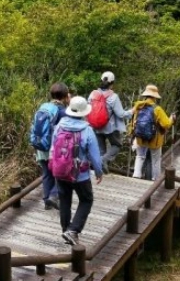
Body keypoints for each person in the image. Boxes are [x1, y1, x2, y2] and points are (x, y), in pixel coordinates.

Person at [51, 96, 103, 246]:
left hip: (60, 171)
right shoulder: (87, 130)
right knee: (86, 200)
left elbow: (53, 148)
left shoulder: (60, 126)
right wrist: (99, 172)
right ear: (83, 112)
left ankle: (66, 230)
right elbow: (94, 155)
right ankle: (73, 231)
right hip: (80, 174)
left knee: (65, 200)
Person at [30, 82, 69, 210]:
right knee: (61, 173)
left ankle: (47, 200)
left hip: (41, 146)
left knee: (47, 173)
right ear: (65, 96)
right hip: (54, 148)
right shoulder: (62, 111)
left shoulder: (43, 107)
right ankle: (53, 195)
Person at [128, 84, 175, 180]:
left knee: (140, 156)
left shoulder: (138, 106)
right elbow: (166, 124)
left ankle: (136, 175)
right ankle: (155, 179)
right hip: (155, 139)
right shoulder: (157, 109)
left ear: (145, 95)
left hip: (140, 137)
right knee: (156, 160)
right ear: (155, 97)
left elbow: (133, 122)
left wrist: (131, 134)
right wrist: (172, 119)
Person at [89, 71, 132, 174]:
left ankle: (100, 171)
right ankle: (104, 161)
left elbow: (88, 109)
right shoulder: (113, 97)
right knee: (116, 145)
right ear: (112, 83)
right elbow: (121, 114)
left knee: (101, 150)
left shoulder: (92, 94)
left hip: (96, 126)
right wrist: (132, 111)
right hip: (110, 128)